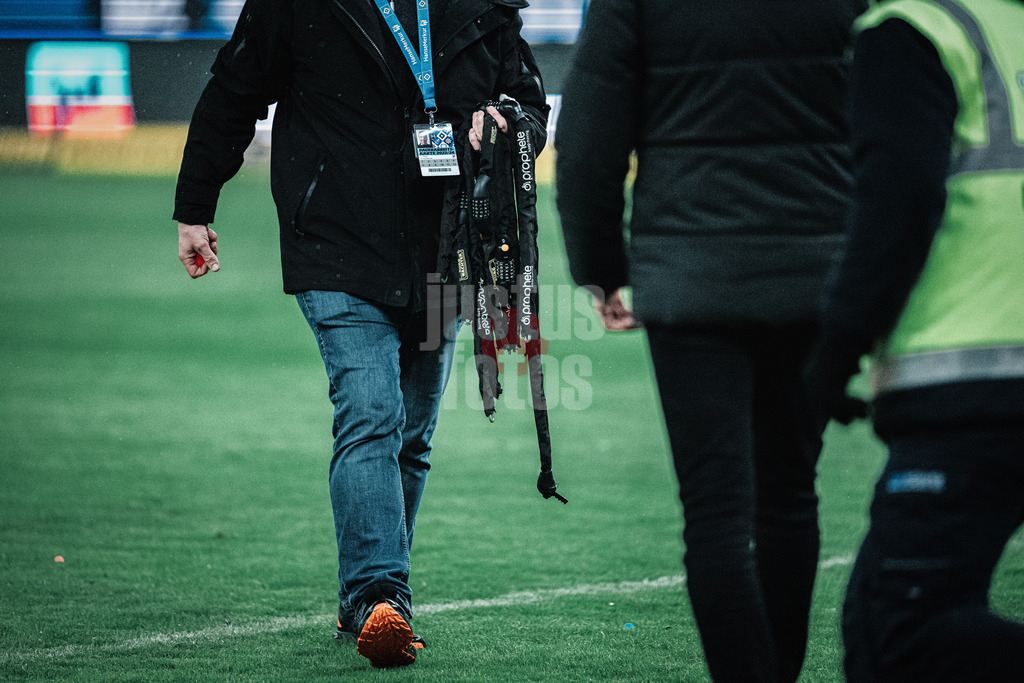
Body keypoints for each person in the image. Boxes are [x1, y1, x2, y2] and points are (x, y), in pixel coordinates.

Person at [173, 0, 548, 669]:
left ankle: (368, 601)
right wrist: (194, 205)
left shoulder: (484, 5)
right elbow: (235, 88)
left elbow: (528, 101)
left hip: (447, 246)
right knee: (371, 410)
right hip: (336, 243)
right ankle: (381, 595)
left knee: (412, 433)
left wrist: (509, 124)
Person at [554, 1, 865, 680]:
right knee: (789, 492)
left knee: (715, 508)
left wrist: (602, 269)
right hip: (815, 269)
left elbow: (586, 138)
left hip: (691, 275)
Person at [804, 0, 1024, 679]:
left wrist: (830, 358)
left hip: (975, 372)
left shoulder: (916, 31)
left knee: (899, 632)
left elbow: (896, 207)